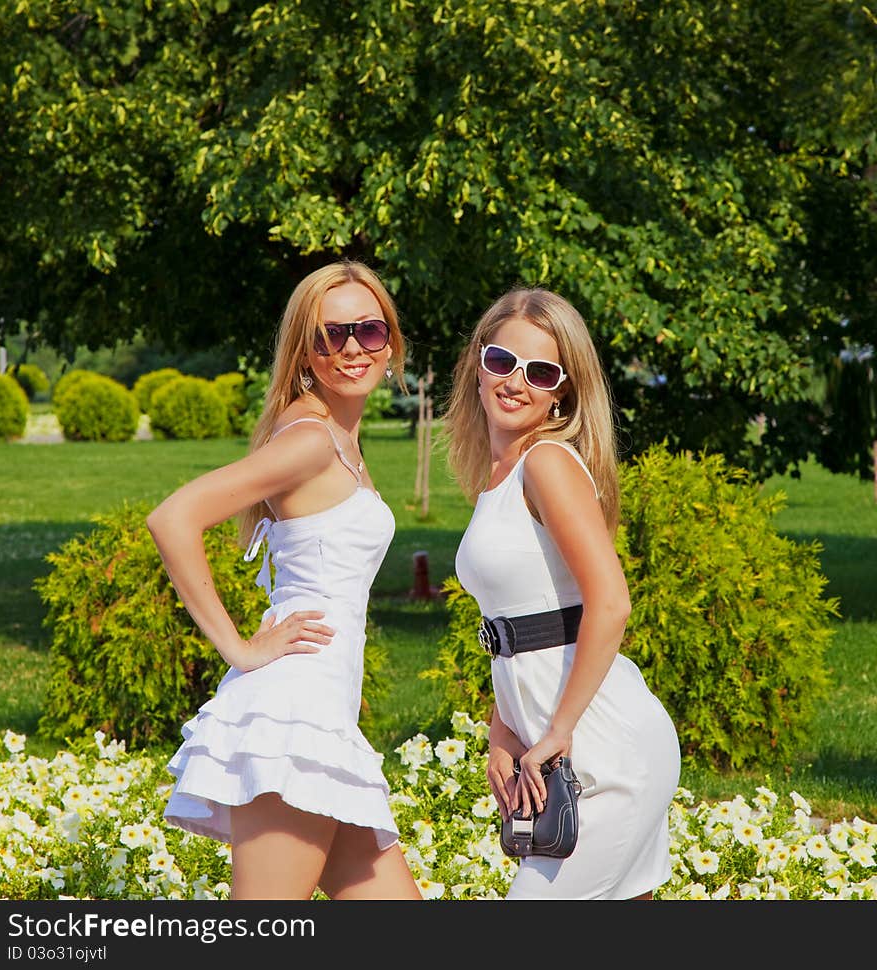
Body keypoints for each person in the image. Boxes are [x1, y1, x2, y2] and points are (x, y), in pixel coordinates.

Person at [146, 260, 422, 900]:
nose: (352, 348)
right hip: (293, 719)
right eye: (330, 335)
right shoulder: (312, 441)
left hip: (322, 719)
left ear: (391, 341)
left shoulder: (336, 436)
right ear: (305, 348)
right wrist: (239, 650)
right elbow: (174, 517)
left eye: (369, 331)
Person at [443, 287, 681, 900]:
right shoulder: (499, 477)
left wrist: (556, 731)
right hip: (568, 747)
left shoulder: (546, 463)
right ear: (478, 362)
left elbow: (610, 603)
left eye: (540, 371)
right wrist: (503, 730)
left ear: (562, 392)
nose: (515, 382)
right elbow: (529, 625)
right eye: (502, 361)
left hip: (603, 750)